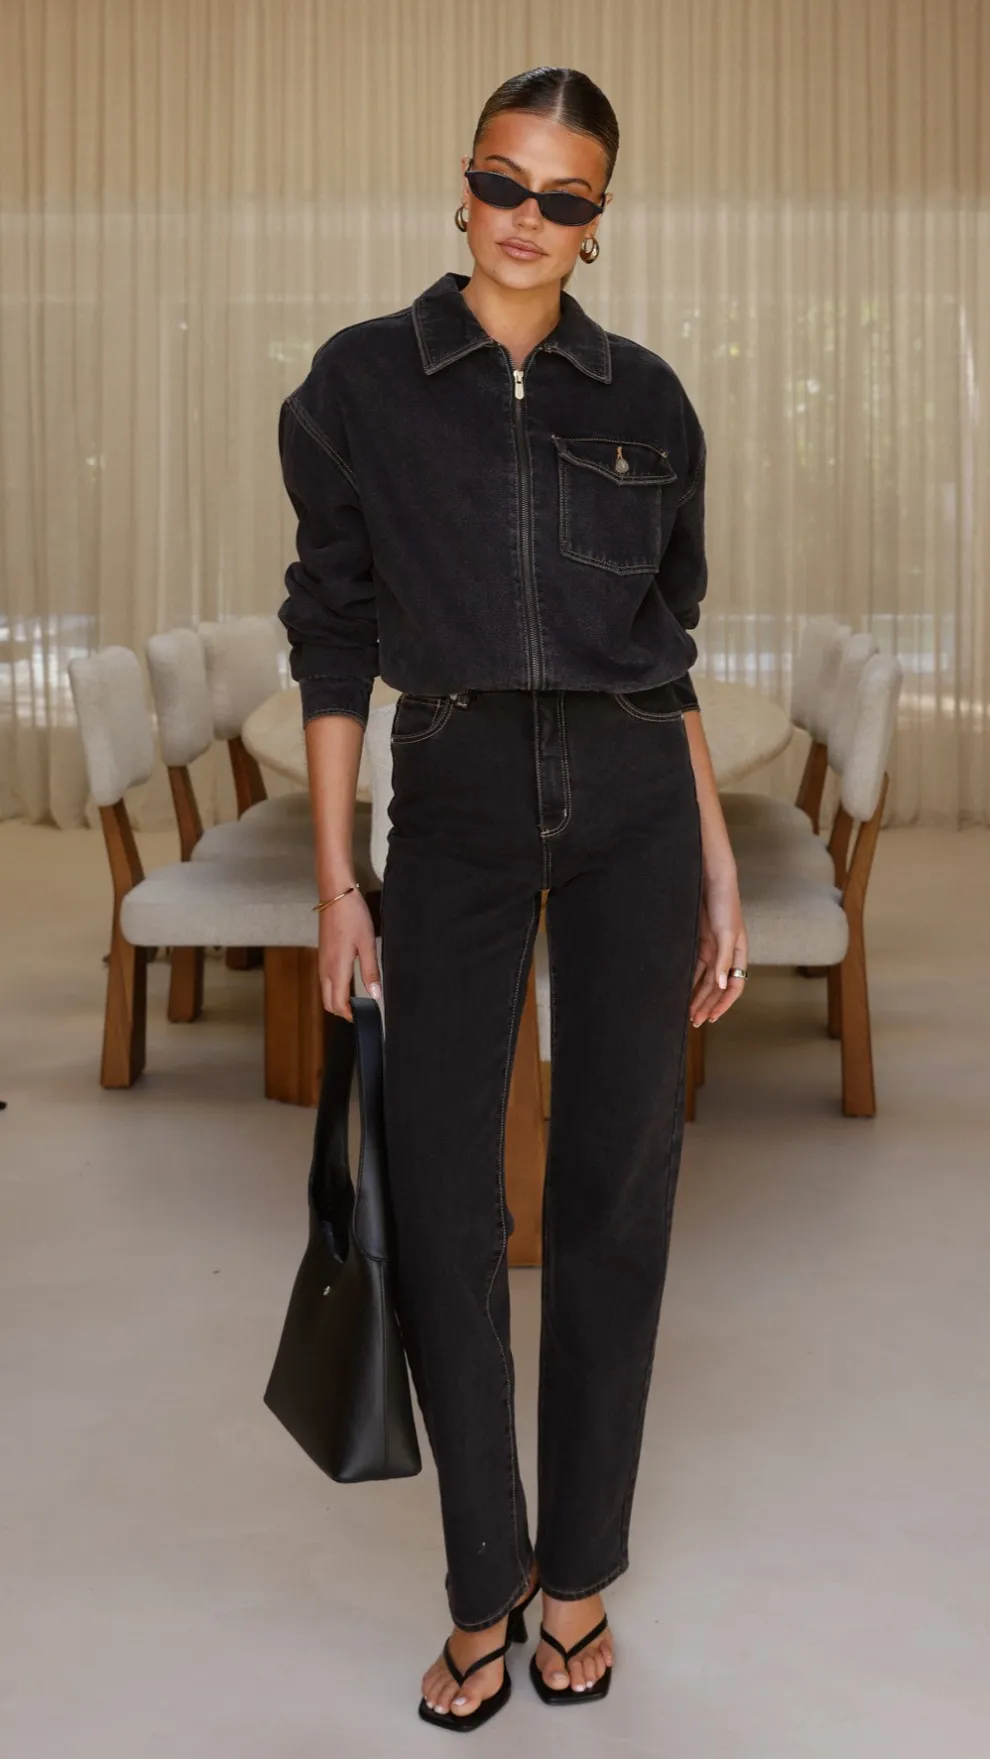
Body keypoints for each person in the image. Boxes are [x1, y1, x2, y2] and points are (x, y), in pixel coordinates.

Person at [278, 65, 748, 1732]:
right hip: (457, 788)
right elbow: (332, 637)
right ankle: (481, 1584)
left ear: (597, 219)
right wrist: (337, 883)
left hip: (632, 801)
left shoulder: (649, 398)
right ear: (462, 184)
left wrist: (716, 856)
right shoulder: (360, 382)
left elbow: (665, 654)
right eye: (503, 182)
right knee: (446, 1199)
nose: (526, 219)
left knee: (617, 1192)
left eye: (564, 197)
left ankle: (577, 1581)